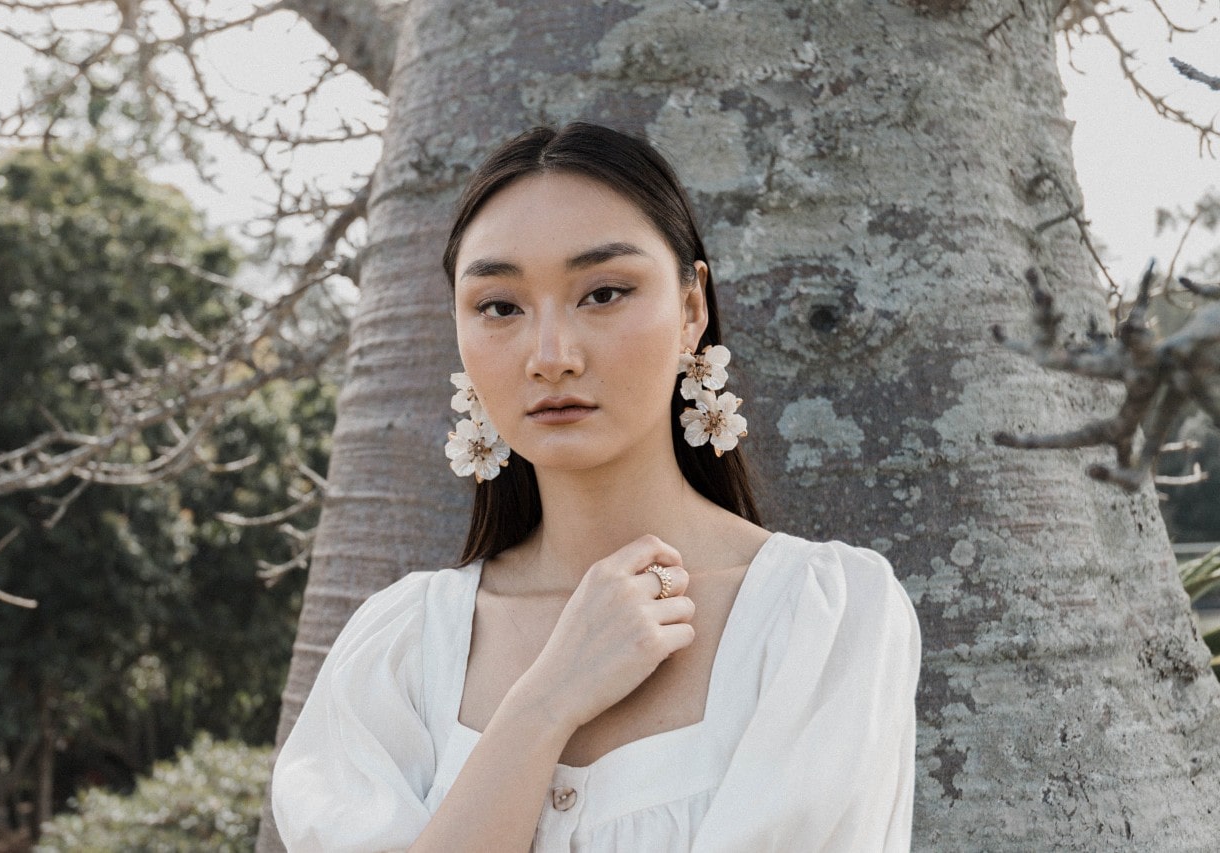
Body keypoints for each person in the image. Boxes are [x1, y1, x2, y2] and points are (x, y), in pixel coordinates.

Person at [271, 122, 921, 852]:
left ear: (691, 308)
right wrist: (547, 701)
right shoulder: (398, 651)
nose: (551, 356)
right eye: (500, 306)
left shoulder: (824, 619)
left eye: (604, 292)